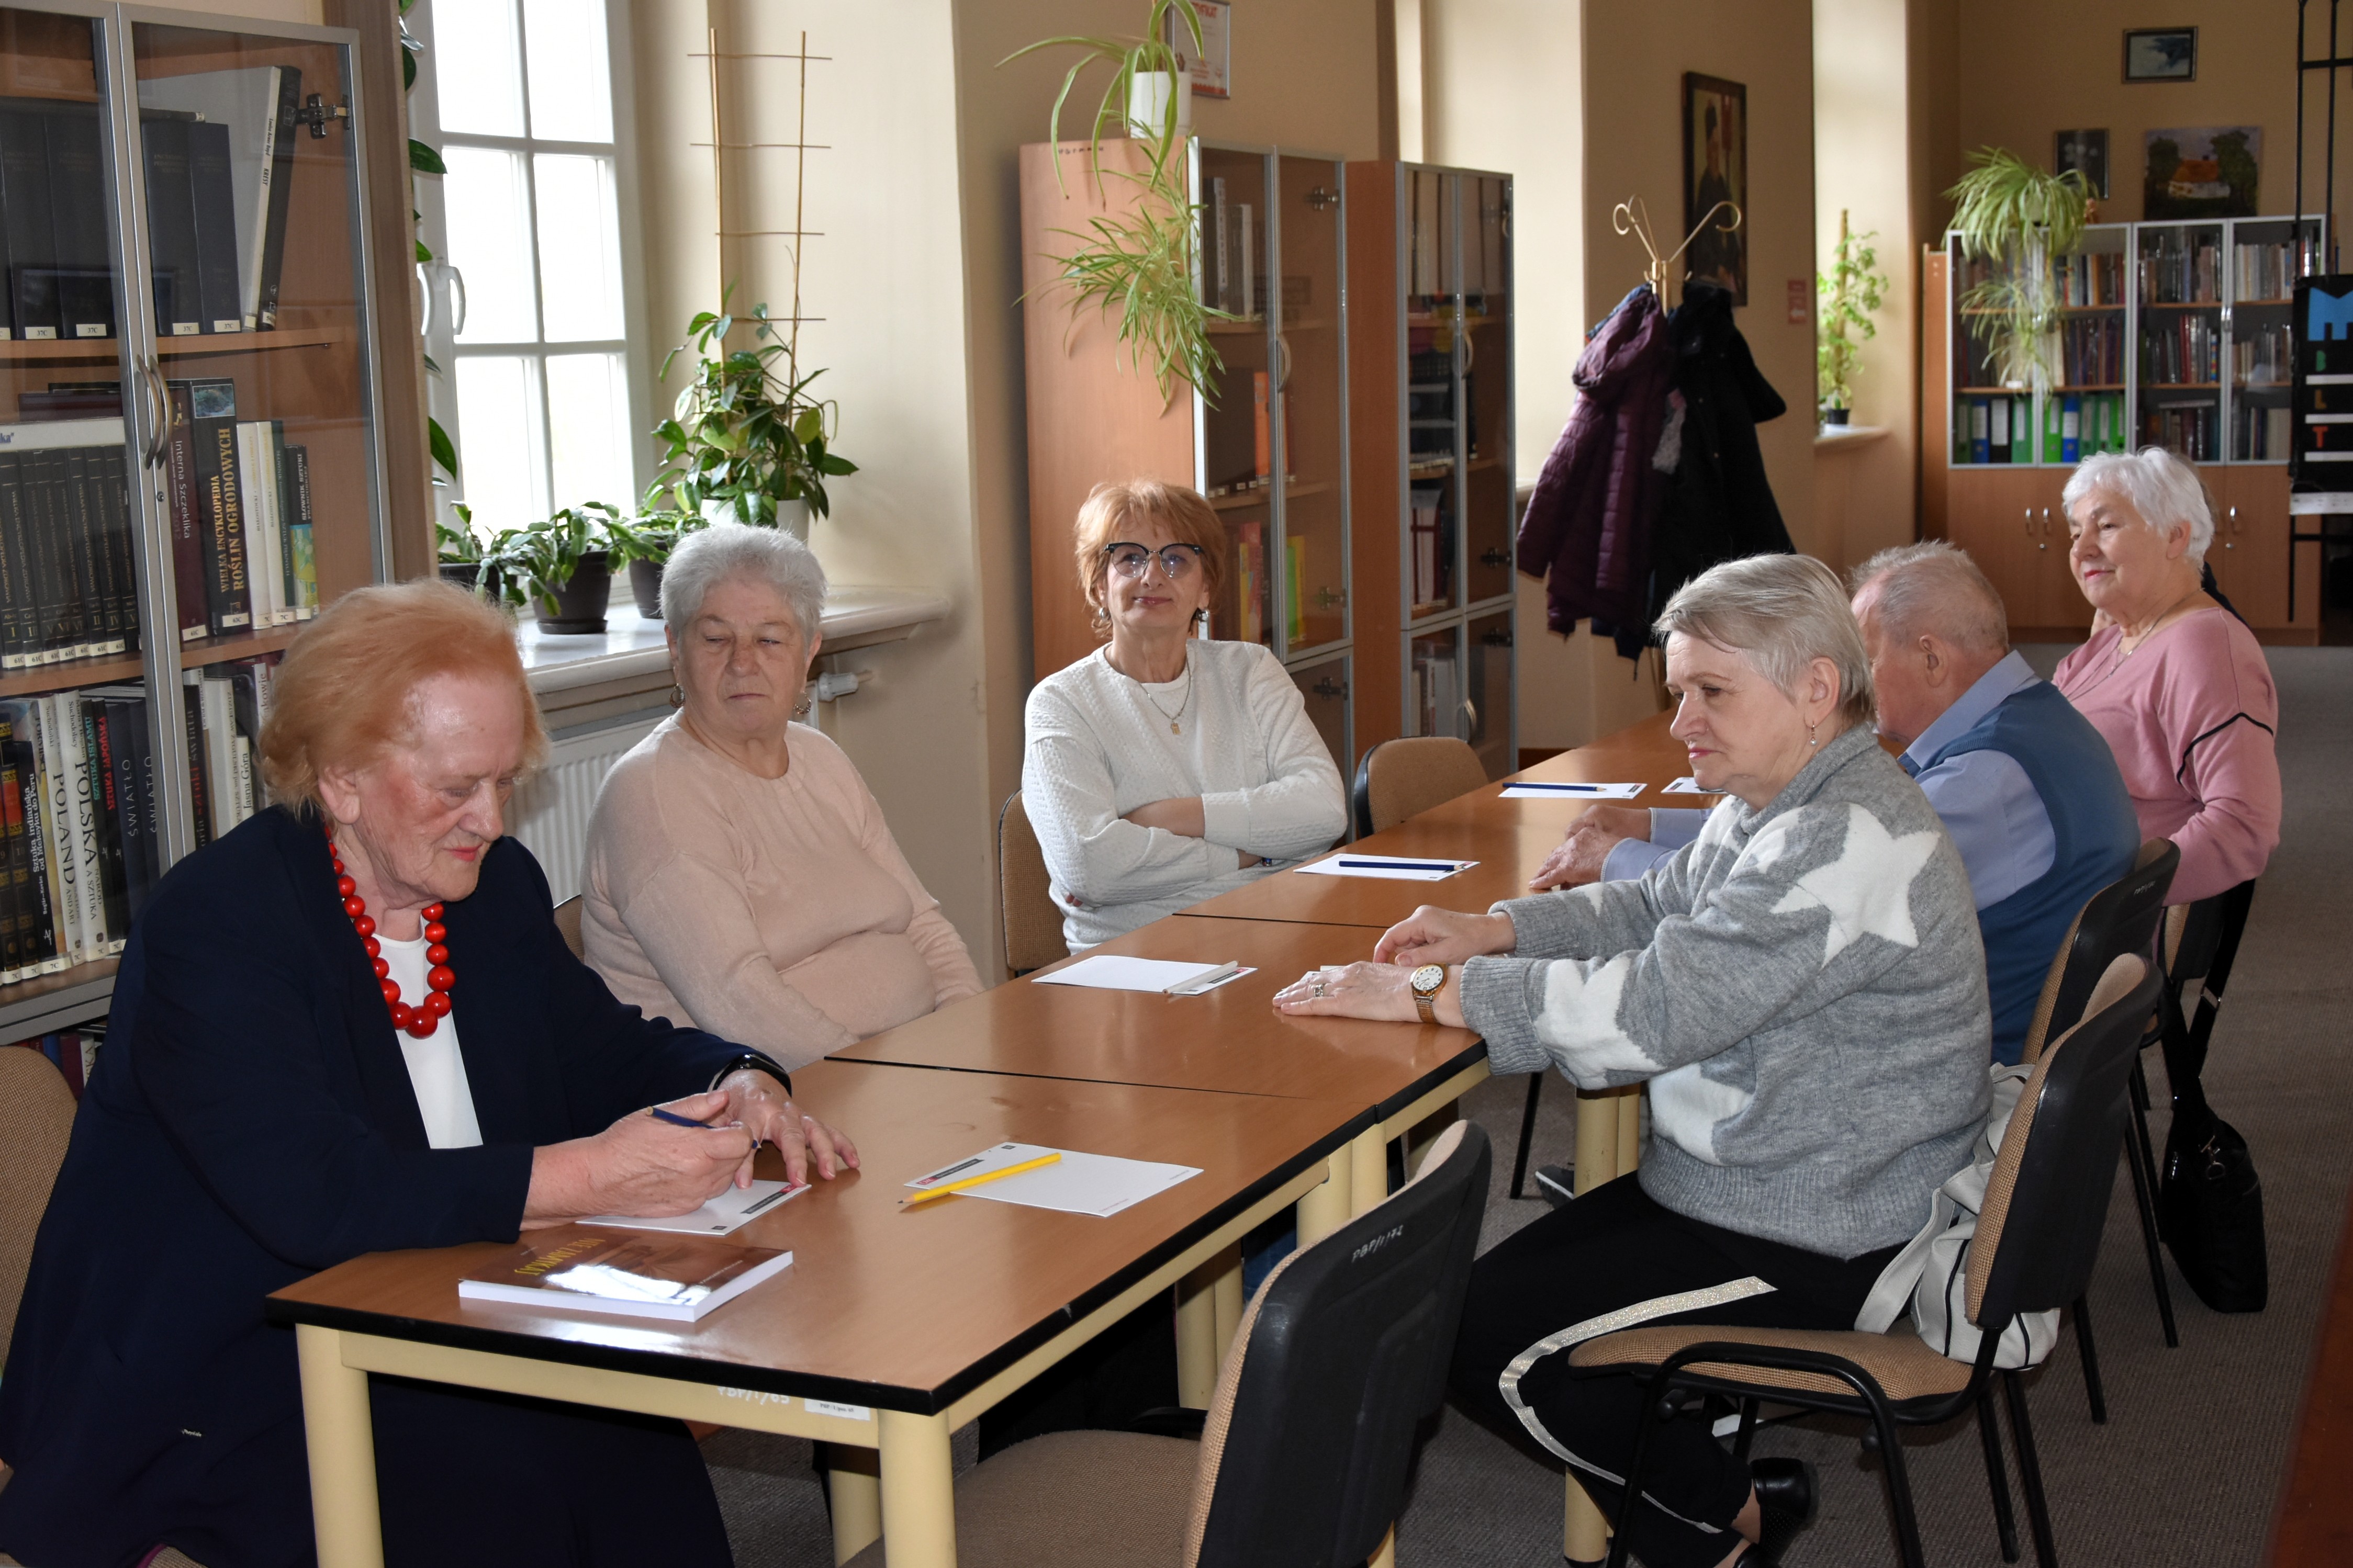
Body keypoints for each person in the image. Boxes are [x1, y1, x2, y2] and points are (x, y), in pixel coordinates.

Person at [0, 581, 857, 1568]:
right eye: (456, 788)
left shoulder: (488, 892)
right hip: (231, 1362)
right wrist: (593, 1175)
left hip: (449, 1299)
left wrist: (744, 1076)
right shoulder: (221, 927)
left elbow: (600, 1047)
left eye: (504, 780)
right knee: (503, 1473)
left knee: (624, 1432)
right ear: (341, 779)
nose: (490, 820)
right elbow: (319, 1193)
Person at [1272, 554, 1990, 1568]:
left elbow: (1654, 1010)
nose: (1683, 719)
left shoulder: (1846, 840)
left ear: (1816, 689)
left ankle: (1716, 1522)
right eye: (1677, 692)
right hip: (1756, 1182)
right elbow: (1653, 905)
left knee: (1477, 1341)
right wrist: (1495, 930)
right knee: (1464, 1310)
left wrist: (1436, 995)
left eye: (1710, 691)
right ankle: (1729, 1496)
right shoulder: (1782, 796)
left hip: (1825, 1226)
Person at [1537, 542, 2141, 1065]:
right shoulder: (2024, 725)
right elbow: (1799, 838)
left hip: (1934, 1066)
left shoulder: (1983, 782)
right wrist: (1650, 824)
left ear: (1930, 657)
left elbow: (1780, 896)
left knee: (1673, 1018)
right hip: (1973, 1032)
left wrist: (1619, 859)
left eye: (1865, 659)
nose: (1850, 683)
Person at [584, 524, 982, 1070]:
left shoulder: (820, 758)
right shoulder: (652, 791)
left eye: (770, 639)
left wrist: (969, 1034)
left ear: (810, 650)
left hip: (903, 1067)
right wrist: (896, 1084)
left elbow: (921, 922)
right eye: (716, 638)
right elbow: (739, 1004)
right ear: (676, 648)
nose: (743, 663)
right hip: (773, 1103)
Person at [1024, 479, 1347, 951]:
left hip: (1275, 933)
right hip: (1135, 961)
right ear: (1099, 583)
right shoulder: (1062, 702)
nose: (1152, 576)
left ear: (1207, 588)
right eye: (1129, 557)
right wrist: (1249, 852)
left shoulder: (1251, 669)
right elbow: (1092, 867)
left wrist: (1170, 815)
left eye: (1176, 559)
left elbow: (1323, 810)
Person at [2052, 447, 2281, 906]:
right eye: (2076, 533)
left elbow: (2243, 823)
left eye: (2106, 526)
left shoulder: (2206, 647)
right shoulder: (2114, 637)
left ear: (2176, 536)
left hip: (2091, 918)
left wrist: (2117, 901)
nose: (2080, 549)